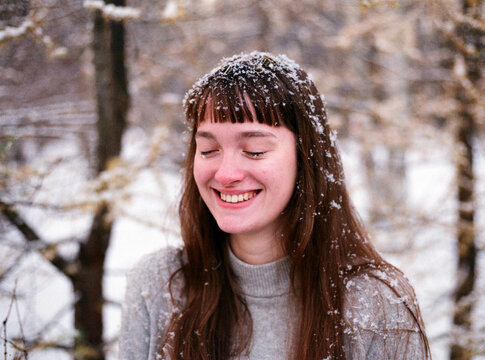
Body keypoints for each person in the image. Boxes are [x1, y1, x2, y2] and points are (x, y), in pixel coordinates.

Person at [120, 51, 431, 360]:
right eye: (209, 149)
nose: (226, 174)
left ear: (306, 157)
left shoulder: (376, 303)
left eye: (254, 151)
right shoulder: (159, 286)